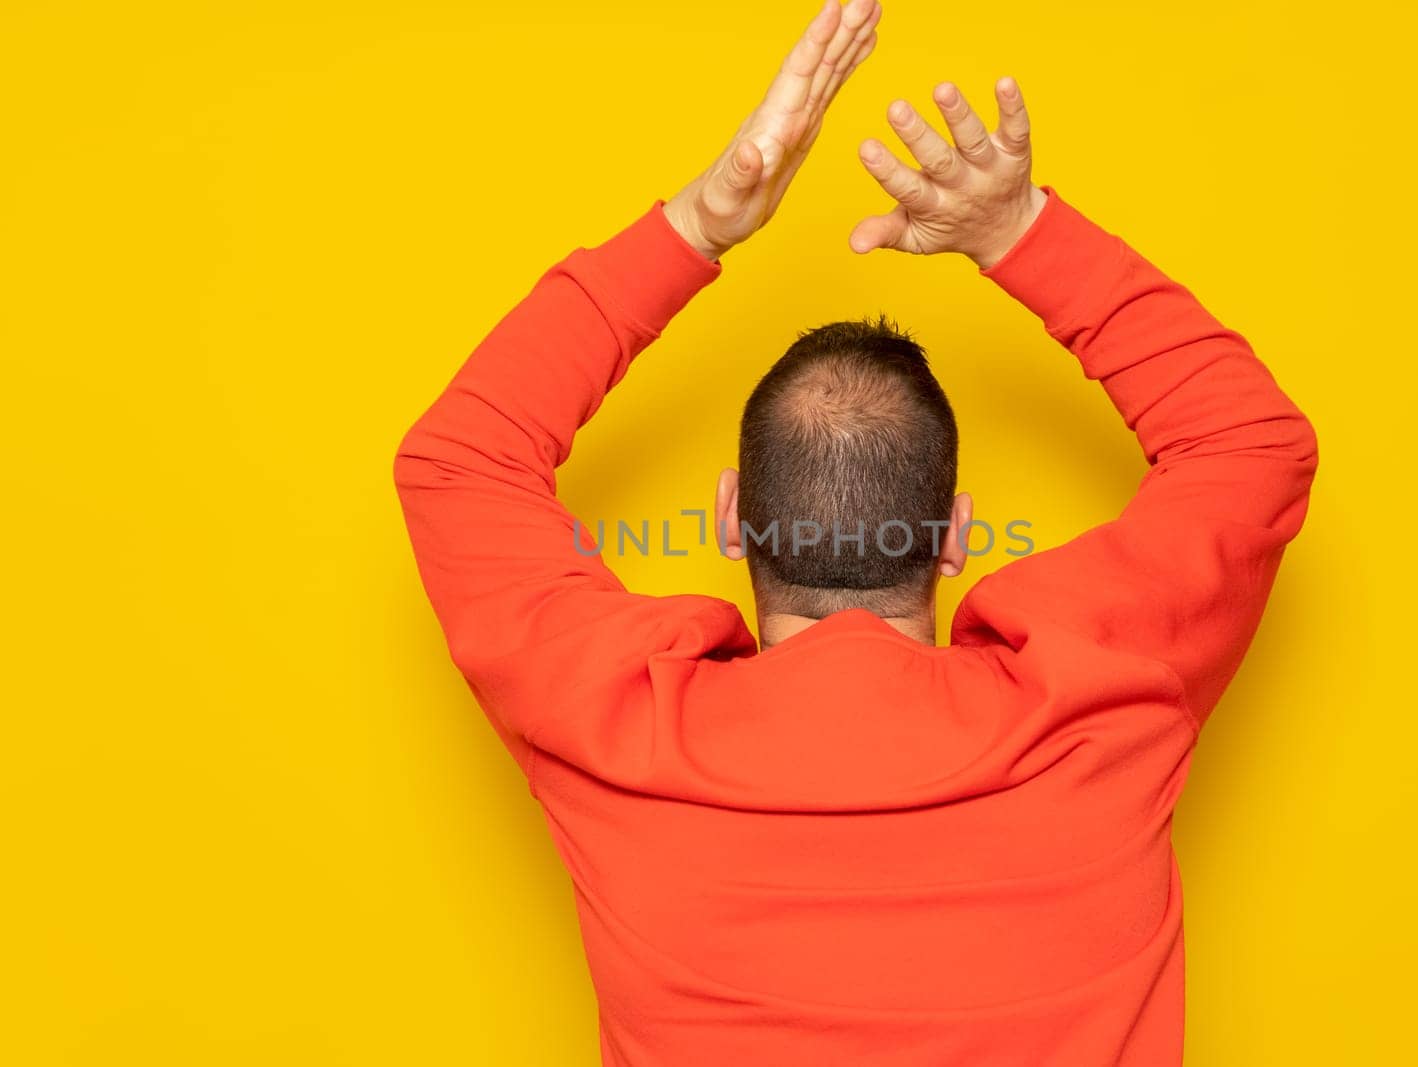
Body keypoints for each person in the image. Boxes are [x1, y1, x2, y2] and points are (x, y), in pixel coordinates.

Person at [392, 1, 1318, 1063]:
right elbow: (1249, 446)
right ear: (955, 532)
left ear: (732, 520)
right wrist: (1018, 230)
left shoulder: (620, 726)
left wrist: (701, 222)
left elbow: (458, 464)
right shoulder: (1098, 699)